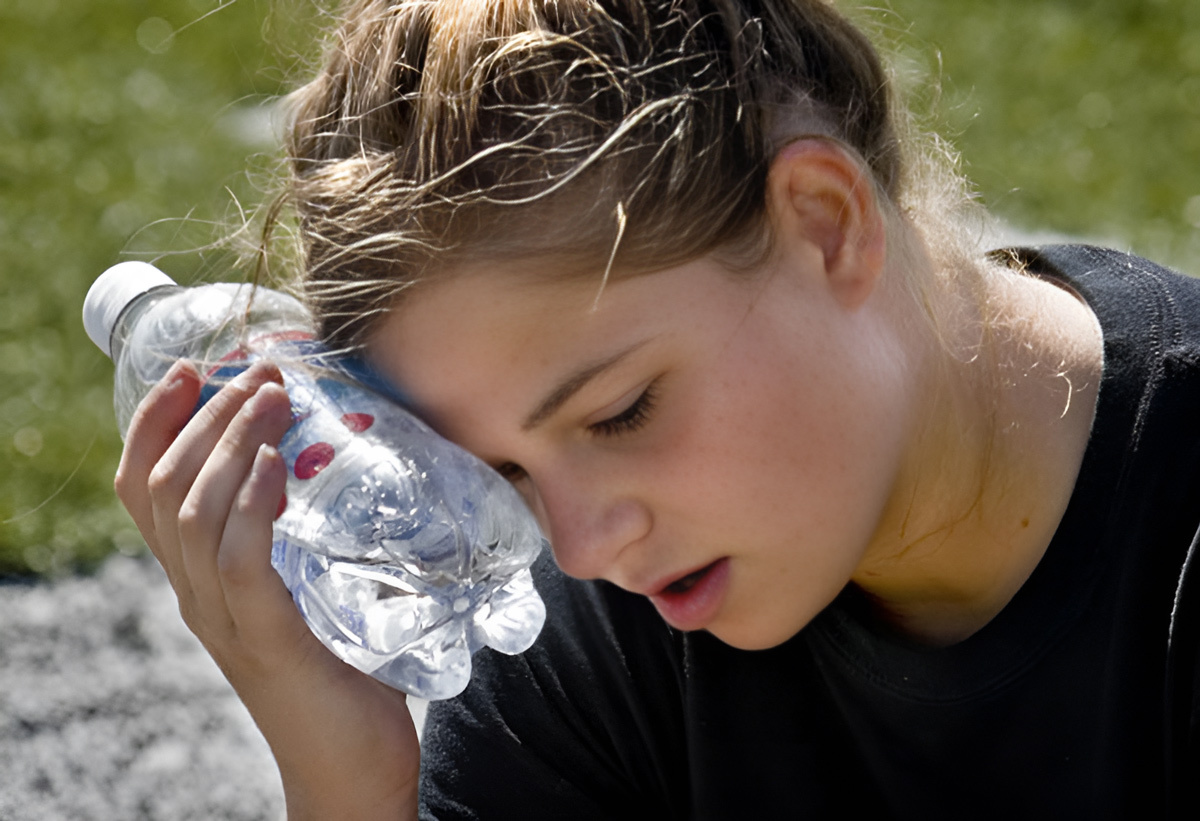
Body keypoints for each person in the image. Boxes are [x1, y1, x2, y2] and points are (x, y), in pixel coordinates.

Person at [112, 0, 1200, 818]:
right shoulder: (604, 629)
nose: (581, 546)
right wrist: (346, 775)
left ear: (826, 223)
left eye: (622, 411)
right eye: (508, 473)